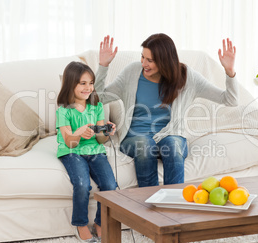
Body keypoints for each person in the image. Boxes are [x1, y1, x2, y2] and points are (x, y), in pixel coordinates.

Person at [95, 33, 238, 188]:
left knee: (173, 146)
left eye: (150, 60)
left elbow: (230, 100)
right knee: (145, 145)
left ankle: (174, 205)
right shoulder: (131, 72)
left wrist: (229, 71)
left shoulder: (187, 77)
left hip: (170, 136)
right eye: (142, 57)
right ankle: (148, 205)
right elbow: (98, 99)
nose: (144, 63)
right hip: (135, 139)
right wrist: (103, 66)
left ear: (165, 61)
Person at [56, 61, 117, 243]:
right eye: (82, 83)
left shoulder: (96, 107)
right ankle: (81, 224)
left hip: (95, 150)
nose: (88, 87)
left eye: (91, 83)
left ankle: (100, 222)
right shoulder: (64, 111)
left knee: (110, 185)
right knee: (82, 185)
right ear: (70, 84)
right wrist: (79, 133)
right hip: (72, 151)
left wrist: (106, 132)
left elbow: (100, 140)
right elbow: (69, 142)